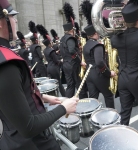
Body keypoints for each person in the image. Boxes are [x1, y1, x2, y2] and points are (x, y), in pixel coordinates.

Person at [0, 0, 78, 149]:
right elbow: (28, 127)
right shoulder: (5, 65)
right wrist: (64, 108)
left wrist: (43, 97)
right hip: (32, 144)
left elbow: (14, 100)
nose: (15, 20)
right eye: (11, 16)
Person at [111, 0, 138, 147]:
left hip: (123, 78)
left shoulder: (115, 38)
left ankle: (121, 142)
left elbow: (113, 38)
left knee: (125, 112)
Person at [80, 0, 115, 108]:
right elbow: (99, 62)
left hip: (89, 75)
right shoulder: (97, 45)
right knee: (108, 96)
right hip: (99, 75)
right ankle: (111, 116)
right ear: (95, 33)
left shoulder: (86, 45)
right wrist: (109, 73)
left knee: (93, 100)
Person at [60, 2, 88, 99]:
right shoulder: (70, 38)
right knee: (80, 85)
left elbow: (67, 50)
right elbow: (72, 50)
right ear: (72, 30)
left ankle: (67, 103)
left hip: (66, 64)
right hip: (73, 65)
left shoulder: (63, 39)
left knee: (70, 85)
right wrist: (80, 62)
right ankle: (85, 103)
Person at [37, 24, 66, 97]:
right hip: (54, 68)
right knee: (58, 83)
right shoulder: (52, 50)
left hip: (48, 68)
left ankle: (53, 96)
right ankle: (65, 95)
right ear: (49, 43)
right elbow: (56, 61)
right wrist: (61, 61)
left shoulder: (45, 50)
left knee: (51, 85)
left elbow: (49, 57)